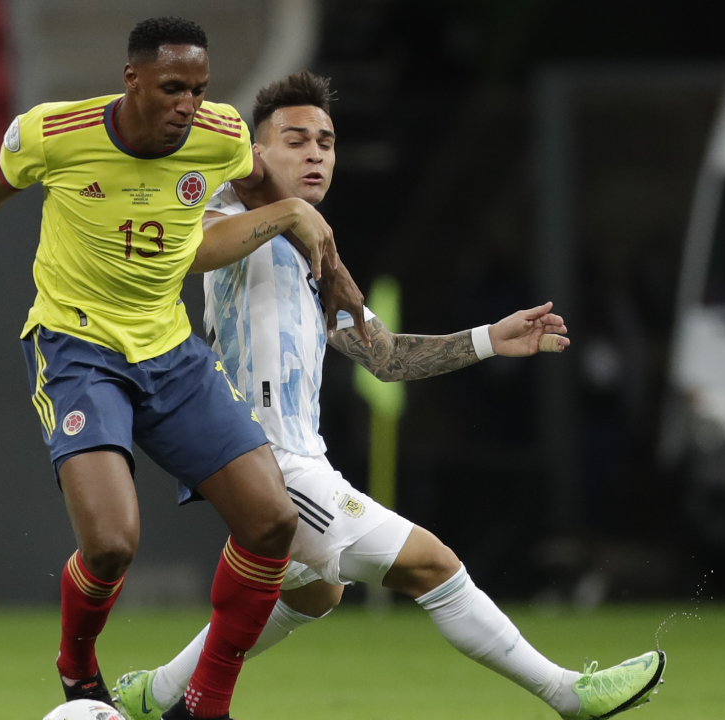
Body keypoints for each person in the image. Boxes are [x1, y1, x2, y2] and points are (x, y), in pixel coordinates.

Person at [113, 71, 666, 720]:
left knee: (314, 594)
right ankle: (566, 693)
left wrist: (492, 338)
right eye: (296, 139)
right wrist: (283, 209)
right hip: (265, 460)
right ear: (257, 153)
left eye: (327, 140)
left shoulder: (314, 256)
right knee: (433, 564)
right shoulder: (232, 216)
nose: (316, 152)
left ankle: (155, 694)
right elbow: (195, 250)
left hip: (301, 457)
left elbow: (386, 357)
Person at [0, 19, 367, 720]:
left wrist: (325, 259)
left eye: (197, 89)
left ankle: (204, 705)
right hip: (75, 350)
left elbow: (263, 190)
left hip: (170, 351)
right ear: (131, 80)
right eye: (171, 89)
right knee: (110, 545)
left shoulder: (219, 134)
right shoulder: (55, 132)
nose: (186, 105)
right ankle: (76, 664)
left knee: (270, 523)